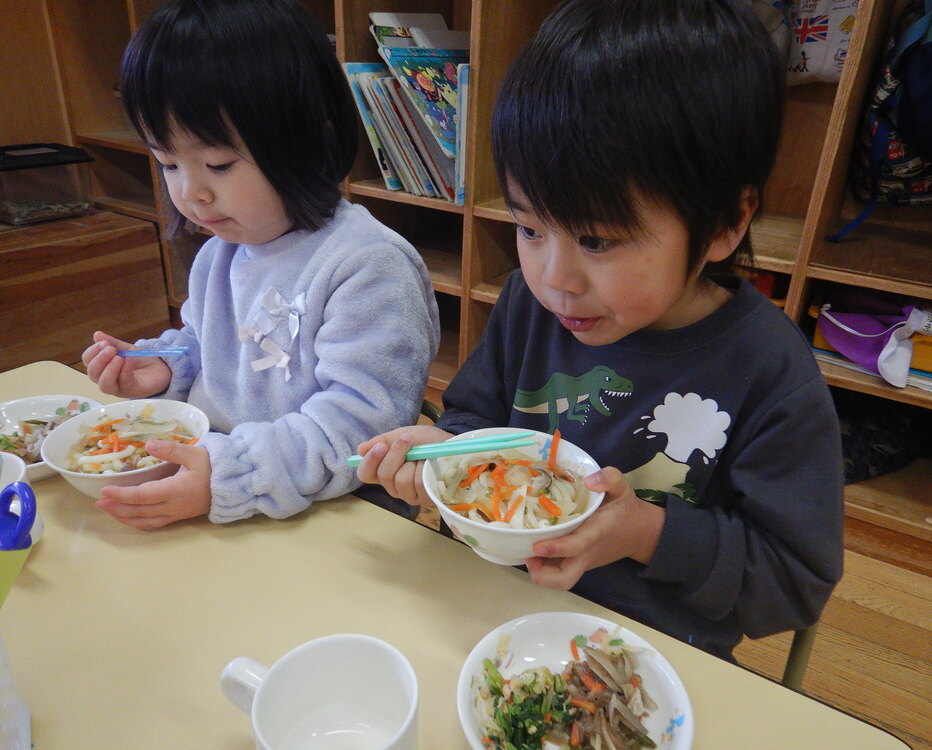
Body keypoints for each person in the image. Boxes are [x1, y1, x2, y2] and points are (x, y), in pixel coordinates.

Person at [357, 0, 843, 660]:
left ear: (727, 223)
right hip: (486, 612)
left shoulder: (769, 373)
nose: (556, 277)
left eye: (598, 239)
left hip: (649, 652)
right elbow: (476, 416)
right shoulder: (534, 305)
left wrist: (646, 532)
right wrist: (442, 449)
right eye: (529, 227)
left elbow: (796, 582)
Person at [82, 0, 439, 529]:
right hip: (226, 503)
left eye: (219, 164)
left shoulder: (368, 267)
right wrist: (165, 368)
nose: (191, 192)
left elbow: (358, 429)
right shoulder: (219, 254)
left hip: (339, 523)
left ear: (306, 137)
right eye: (168, 162)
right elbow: (212, 349)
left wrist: (229, 475)